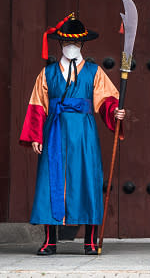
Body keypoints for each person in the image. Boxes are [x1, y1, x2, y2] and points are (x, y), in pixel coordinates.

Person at [19, 13, 125, 256]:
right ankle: (50, 241)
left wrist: (115, 112)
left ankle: (89, 241)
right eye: (67, 43)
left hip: (83, 133)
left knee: (87, 180)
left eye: (76, 44)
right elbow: (37, 105)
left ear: (82, 45)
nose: (71, 48)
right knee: (50, 182)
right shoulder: (47, 74)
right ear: (60, 44)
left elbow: (106, 99)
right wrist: (36, 135)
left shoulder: (94, 72)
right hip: (54, 131)